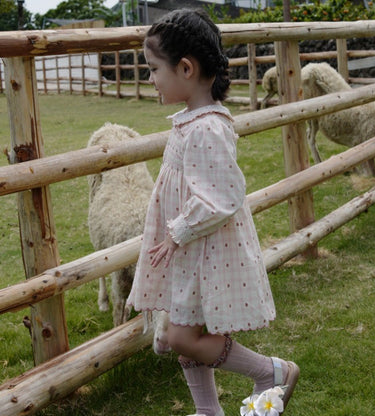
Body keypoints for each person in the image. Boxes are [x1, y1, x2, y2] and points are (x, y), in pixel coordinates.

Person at [126, 8, 299, 416]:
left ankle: (270, 371)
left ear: (185, 68)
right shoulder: (191, 120)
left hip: (202, 247)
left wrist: (178, 232)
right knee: (184, 328)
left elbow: (222, 196)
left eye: (153, 69)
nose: (150, 79)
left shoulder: (207, 128)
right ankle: (208, 410)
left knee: (184, 337)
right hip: (190, 249)